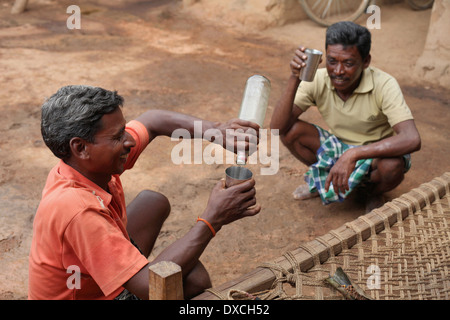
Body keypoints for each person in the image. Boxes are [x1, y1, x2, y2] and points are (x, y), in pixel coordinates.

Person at [28, 85, 261, 300]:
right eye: (118, 136)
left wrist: (217, 130)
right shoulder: (78, 210)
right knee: (193, 280)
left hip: (88, 273)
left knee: (153, 202)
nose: (129, 141)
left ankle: (124, 266)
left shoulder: (82, 166)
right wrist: (213, 219)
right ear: (80, 147)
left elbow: (153, 120)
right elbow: (150, 287)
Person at [270, 21, 421, 212]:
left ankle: (372, 193)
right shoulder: (318, 79)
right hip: (337, 147)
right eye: (332, 61)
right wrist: (294, 78)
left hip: (374, 154)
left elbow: (412, 138)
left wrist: (354, 153)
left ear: (366, 61)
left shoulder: (384, 84)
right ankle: (325, 179)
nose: (339, 71)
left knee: (392, 166)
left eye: (349, 63)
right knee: (291, 132)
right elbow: (277, 127)